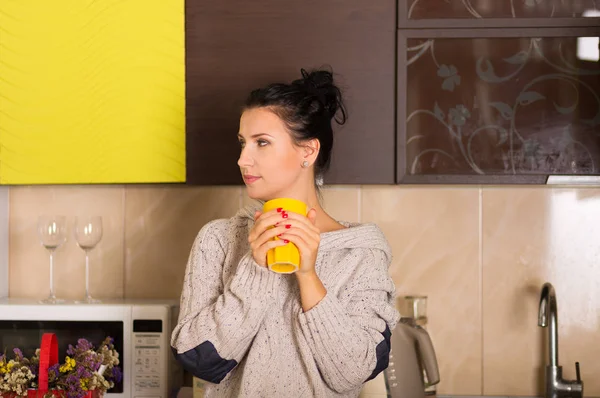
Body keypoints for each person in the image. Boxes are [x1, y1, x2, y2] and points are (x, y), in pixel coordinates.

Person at [170, 67, 400, 398]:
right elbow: (199, 359)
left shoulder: (362, 253)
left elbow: (353, 373)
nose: (242, 160)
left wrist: (309, 277)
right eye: (242, 143)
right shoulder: (218, 240)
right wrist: (256, 269)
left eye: (261, 143)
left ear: (307, 151)